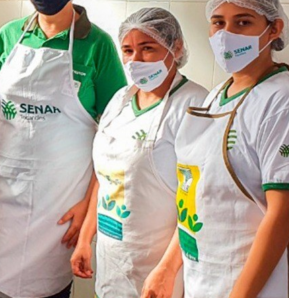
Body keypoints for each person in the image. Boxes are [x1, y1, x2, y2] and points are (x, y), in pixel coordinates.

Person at [141, 0, 289, 297]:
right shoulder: (217, 96)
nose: (227, 34)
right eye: (218, 22)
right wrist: (167, 268)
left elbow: (285, 213)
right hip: (206, 275)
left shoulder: (286, 102)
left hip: (256, 285)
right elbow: (195, 196)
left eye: (243, 22)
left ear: (274, 28)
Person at [0, 0, 127, 296]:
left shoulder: (96, 44)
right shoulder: (9, 35)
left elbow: (114, 134)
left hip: (61, 204)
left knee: (50, 289)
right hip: (5, 197)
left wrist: (89, 206)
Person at [68, 8, 208, 298]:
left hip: (161, 271)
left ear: (176, 47)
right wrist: (85, 237)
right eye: (128, 50)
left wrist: (167, 270)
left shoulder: (193, 105)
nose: (135, 60)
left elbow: (196, 202)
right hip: (112, 261)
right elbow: (106, 176)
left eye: (147, 49)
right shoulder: (121, 100)